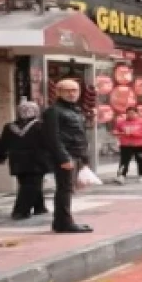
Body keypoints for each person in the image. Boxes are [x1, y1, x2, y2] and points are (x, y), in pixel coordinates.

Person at [43, 79, 91, 233]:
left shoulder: (75, 110)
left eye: (75, 90)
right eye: (67, 90)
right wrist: (63, 158)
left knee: (68, 189)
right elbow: (52, 137)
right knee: (65, 189)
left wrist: (84, 158)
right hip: (66, 156)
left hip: (75, 154)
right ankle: (64, 223)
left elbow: (79, 134)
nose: (72, 93)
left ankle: (61, 221)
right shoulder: (54, 111)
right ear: (58, 92)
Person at [0, 101, 50, 220]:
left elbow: (3, 144)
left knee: (27, 184)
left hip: (17, 161)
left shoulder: (9, 127)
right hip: (36, 161)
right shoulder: (41, 125)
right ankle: (20, 211)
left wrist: (0, 157)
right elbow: (48, 143)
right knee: (31, 185)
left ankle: (39, 207)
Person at [112, 107, 142, 184]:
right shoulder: (121, 122)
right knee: (124, 161)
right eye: (128, 113)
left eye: (132, 113)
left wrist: (132, 133)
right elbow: (115, 130)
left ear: (137, 114)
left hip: (140, 145)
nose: (130, 115)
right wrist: (117, 133)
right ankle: (121, 176)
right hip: (126, 144)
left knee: (140, 160)